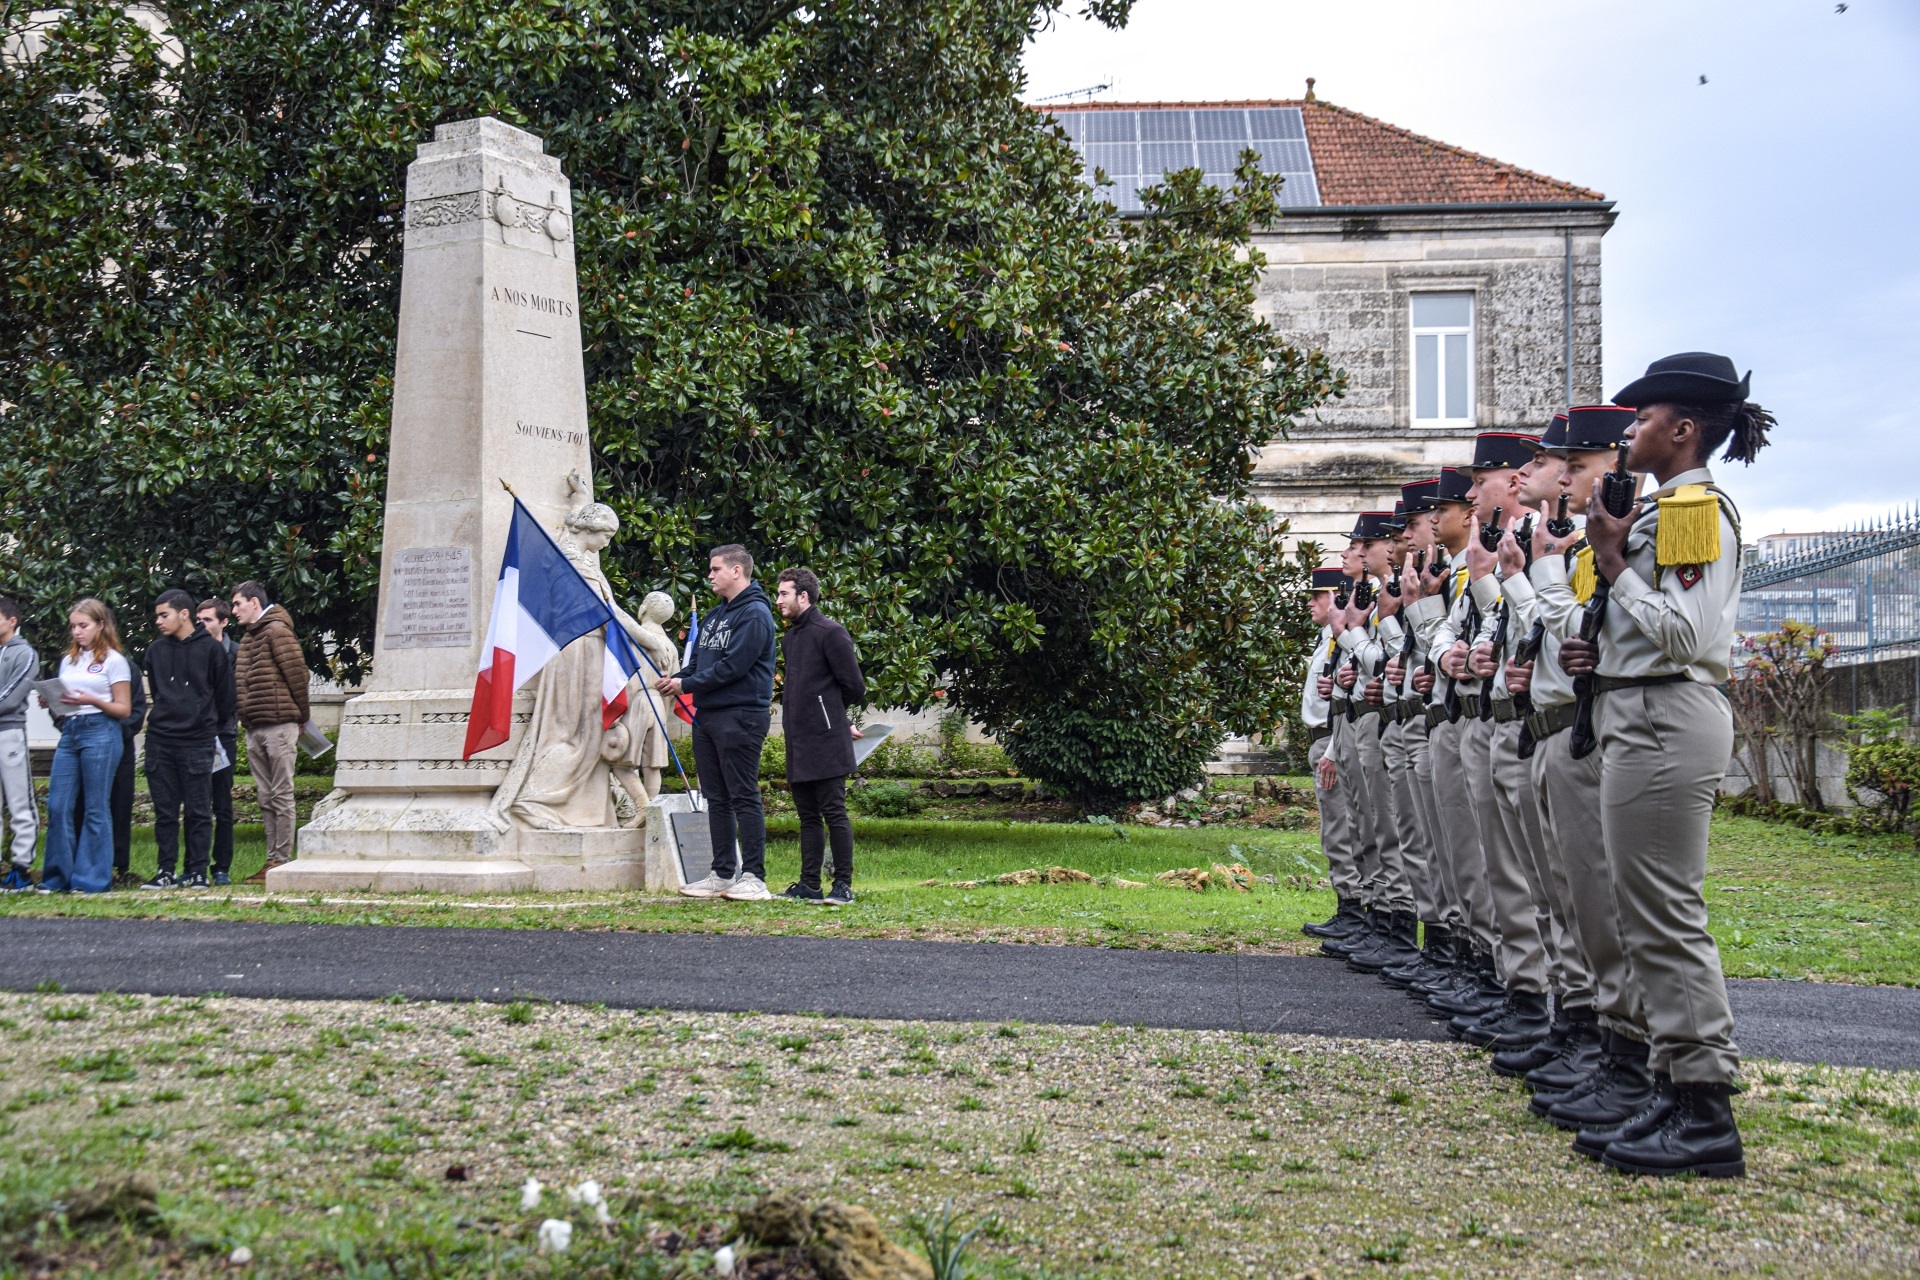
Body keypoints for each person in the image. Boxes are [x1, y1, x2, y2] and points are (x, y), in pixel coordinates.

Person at [1557, 352, 1772, 1179]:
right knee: (1640, 909)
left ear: (1682, 431)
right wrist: (1596, 646)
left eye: (1644, 419)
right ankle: (1669, 1079)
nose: (1631, 430)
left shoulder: (1693, 510)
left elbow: (1683, 634)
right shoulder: (1667, 510)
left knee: (1664, 913)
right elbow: (1650, 625)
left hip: (1665, 715)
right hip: (1635, 710)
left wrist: (1613, 564)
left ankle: (1703, 1110)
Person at [656, 545, 777, 902]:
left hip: (741, 716)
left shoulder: (754, 615)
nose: (710, 575)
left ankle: (755, 878)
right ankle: (723, 875)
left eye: (715, 569)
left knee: (743, 795)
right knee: (716, 798)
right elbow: (699, 664)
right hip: (707, 716)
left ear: (737, 571)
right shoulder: (715, 616)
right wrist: (675, 679)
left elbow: (733, 667)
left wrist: (686, 685)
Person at [773, 568, 867, 905]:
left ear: (804, 596)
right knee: (808, 816)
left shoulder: (831, 632)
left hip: (827, 739)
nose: (778, 600)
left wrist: (831, 716)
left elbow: (854, 687)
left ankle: (842, 885)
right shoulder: (790, 638)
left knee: (834, 812)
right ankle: (809, 884)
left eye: (784, 593)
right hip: (798, 742)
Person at [141, 588, 234, 890]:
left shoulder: (211, 650)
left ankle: (196, 870)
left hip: (198, 740)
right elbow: (158, 693)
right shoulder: (155, 651)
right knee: (165, 812)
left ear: (184, 614)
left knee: (198, 809)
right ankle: (165, 871)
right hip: (161, 740)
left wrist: (202, 723)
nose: (158, 621)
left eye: (163, 615)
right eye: (156, 616)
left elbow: (224, 699)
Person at [39, 599, 133, 894]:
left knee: (95, 807)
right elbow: (67, 702)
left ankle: (91, 880)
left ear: (100, 625)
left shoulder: (114, 661)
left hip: (101, 731)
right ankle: (57, 877)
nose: (77, 632)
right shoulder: (69, 660)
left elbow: (124, 709)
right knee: (57, 805)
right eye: (73, 626)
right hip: (71, 732)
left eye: (83, 626)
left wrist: (91, 700)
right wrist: (52, 702)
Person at [1299, 566, 1361, 940]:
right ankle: (1350, 906)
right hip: (1323, 738)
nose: (1311, 602)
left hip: (1333, 738)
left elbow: (1348, 702)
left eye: (1317, 595)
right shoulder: (1327, 638)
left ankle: (1353, 908)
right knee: (1334, 830)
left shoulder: (1343, 638)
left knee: (1341, 830)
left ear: (1336, 597)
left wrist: (1335, 750)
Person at [231, 580, 309, 877]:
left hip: (279, 724)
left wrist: (302, 716)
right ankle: (271, 860)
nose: (234, 610)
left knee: (281, 793)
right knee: (265, 796)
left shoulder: (277, 630)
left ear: (254, 602)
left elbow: (297, 675)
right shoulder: (250, 637)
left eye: (238, 603)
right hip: (255, 726)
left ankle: (282, 859)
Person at [198, 598, 240, 884]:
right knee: (195, 802)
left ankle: (221, 865)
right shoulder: (192, 650)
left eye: (208, 620)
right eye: (198, 620)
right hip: (195, 734)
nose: (201, 625)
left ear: (224, 622)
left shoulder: (236, 652)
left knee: (222, 803)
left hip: (223, 733)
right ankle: (195, 866)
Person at [0, 599, 40, 891]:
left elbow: (13, 697)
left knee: (19, 802)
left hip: (9, 734)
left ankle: (22, 869)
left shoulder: (25, 653)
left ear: (12, 620)